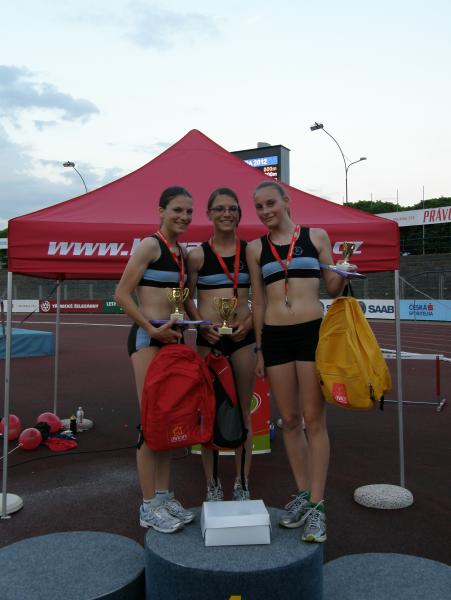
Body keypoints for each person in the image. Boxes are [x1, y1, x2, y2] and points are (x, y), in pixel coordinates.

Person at [246, 180, 351, 543]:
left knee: (314, 419)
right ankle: (305, 496)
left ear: (286, 201)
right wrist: (260, 348)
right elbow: (258, 300)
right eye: (259, 207)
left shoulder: (316, 236)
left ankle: (318, 506)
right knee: (290, 421)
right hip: (275, 338)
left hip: (311, 334)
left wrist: (343, 270)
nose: (265, 211)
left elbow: (332, 288)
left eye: (270, 203)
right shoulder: (255, 248)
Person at [115, 186, 195, 533]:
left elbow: (182, 302)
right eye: (177, 210)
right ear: (161, 211)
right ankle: (148, 506)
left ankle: (164, 496)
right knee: (151, 423)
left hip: (172, 339)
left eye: (189, 212)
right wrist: (151, 328)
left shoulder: (182, 253)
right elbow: (121, 294)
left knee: (168, 421)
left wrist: (201, 326)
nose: (184, 217)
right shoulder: (150, 245)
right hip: (148, 338)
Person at [186, 187, 255, 502]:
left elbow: (262, 298)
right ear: (209, 214)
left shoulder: (251, 252)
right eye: (220, 209)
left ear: (239, 213)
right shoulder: (198, 255)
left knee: (243, 413)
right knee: (208, 413)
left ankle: (242, 483)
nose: (227, 213)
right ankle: (212, 484)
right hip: (208, 339)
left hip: (243, 338)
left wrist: (249, 323)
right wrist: (201, 324)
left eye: (232, 208)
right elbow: (185, 298)